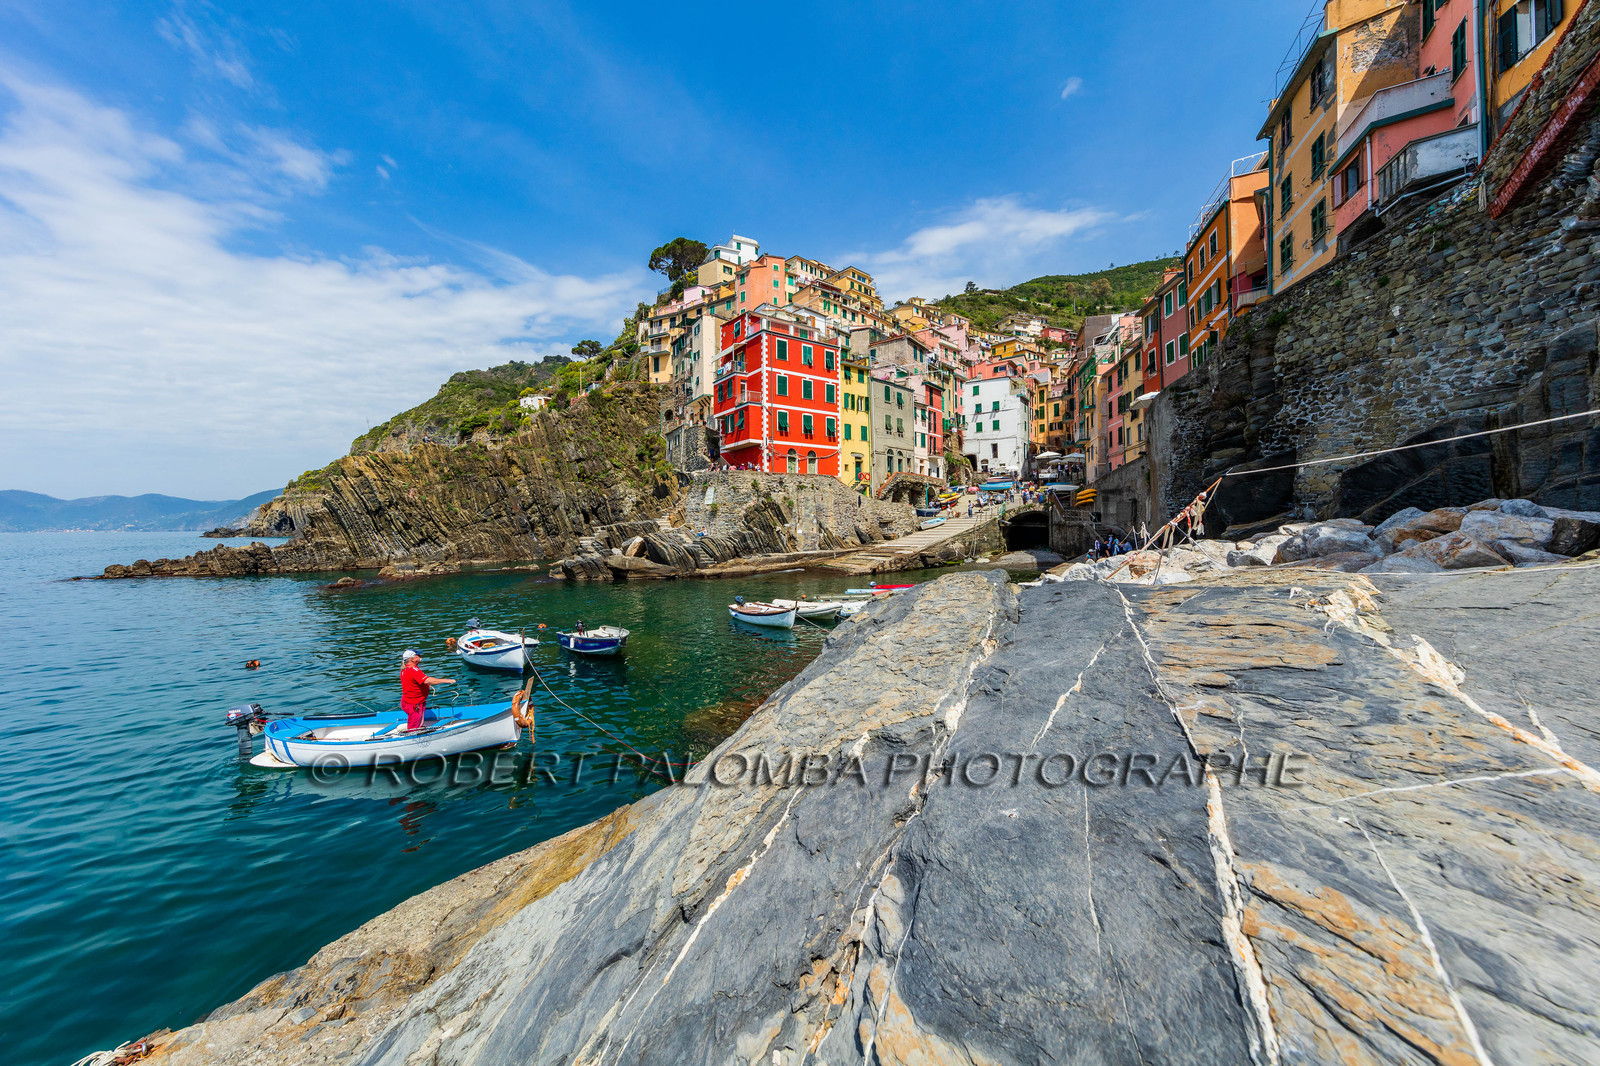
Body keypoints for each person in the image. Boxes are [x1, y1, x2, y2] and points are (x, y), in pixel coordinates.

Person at [399, 649, 454, 732]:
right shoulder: (413, 670)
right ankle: (413, 738)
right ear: (412, 659)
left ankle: (417, 728)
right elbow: (427, 680)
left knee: (416, 721)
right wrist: (446, 680)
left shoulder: (405, 669)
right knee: (414, 728)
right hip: (414, 704)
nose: (421, 657)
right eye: (418, 656)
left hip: (407, 701)